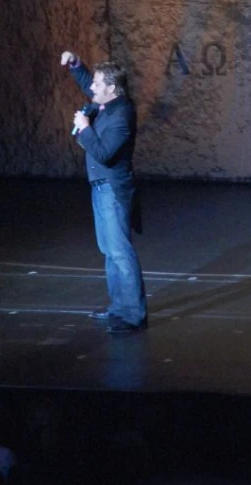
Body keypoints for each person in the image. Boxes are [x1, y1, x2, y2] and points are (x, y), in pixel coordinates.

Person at [61, 51, 147, 334]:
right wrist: (76, 65)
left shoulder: (121, 116)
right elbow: (88, 84)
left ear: (111, 88)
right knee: (109, 251)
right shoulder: (109, 104)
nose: (92, 89)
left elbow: (104, 153)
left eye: (98, 84)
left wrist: (85, 129)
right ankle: (119, 307)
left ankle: (135, 315)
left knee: (120, 252)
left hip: (112, 189)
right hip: (100, 189)